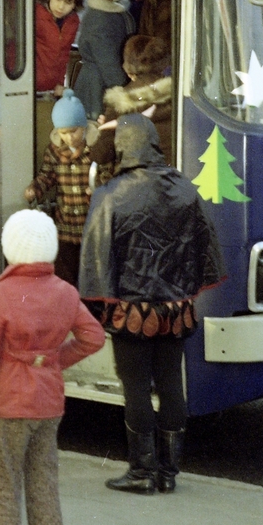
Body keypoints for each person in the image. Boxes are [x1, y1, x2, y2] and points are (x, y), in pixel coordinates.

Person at [78, 114, 223, 495]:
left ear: (123, 146)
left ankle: (142, 471)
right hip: (175, 310)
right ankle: (169, 473)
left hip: (131, 312)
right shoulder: (185, 188)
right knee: (171, 383)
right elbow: (205, 248)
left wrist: (95, 311)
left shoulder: (110, 194)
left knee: (137, 388)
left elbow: (96, 261)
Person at [0, 210, 106, 525]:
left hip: (13, 400)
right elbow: (93, 337)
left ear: (10, 248)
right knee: (43, 478)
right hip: (49, 400)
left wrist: (3, 371)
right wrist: (54, 360)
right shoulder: (64, 291)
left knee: (3, 480)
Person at [25, 88, 91, 287]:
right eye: (64, 133)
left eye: (74, 131)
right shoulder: (54, 151)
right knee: (67, 276)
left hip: (91, 225)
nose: (69, 138)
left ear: (84, 127)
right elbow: (47, 176)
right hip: (66, 226)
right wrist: (35, 189)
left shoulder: (95, 149)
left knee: (89, 276)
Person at [89, 34, 175, 179]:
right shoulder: (179, 94)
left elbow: (100, 155)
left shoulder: (121, 102)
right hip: (175, 179)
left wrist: (106, 129)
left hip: (139, 181)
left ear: (128, 70)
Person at [72, 0, 135, 119]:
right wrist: (128, 90)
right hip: (98, 90)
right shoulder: (99, 21)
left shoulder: (110, 12)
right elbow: (109, 66)